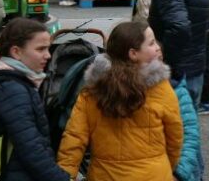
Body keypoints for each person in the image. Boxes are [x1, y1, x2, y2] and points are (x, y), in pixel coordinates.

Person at [57, 22, 184, 180]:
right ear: (133, 53)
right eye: (151, 43)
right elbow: (175, 138)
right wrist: (165, 166)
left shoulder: (93, 91)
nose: (158, 46)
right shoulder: (160, 89)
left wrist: (67, 174)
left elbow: (74, 139)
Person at [0, 18, 71, 181]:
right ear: (16, 52)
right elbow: (31, 149)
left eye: (48, 49)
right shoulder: (13, 90)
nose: (48, 55)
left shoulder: (14, 81)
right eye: (40, 49)